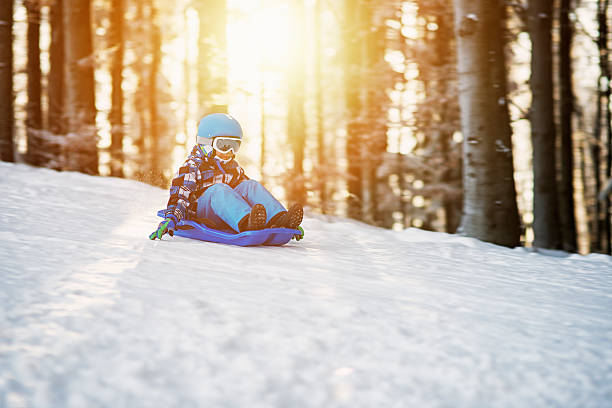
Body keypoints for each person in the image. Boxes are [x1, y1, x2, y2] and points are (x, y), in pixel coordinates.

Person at [150, 113, 303, 240]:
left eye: (235, 145)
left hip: (227, 211)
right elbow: (180, 195)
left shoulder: (232, 167)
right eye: (223, 145)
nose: (230, 151)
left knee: (251, 185)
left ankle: (280, 218)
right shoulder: (192, 166)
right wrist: (171, 218)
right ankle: (246, 222)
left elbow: (249, 194)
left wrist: (289, 227)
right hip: (203, 214)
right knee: (219, 189)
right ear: (207, 143)